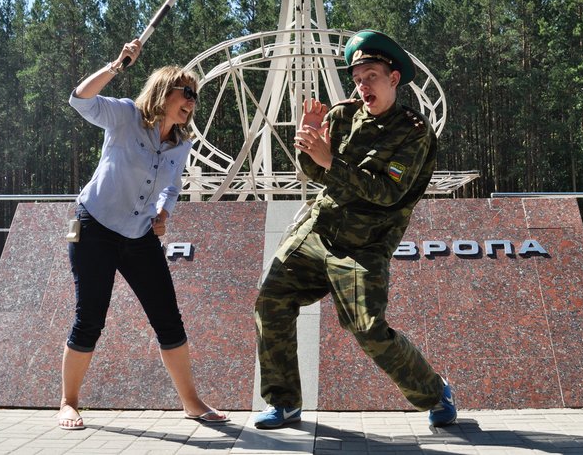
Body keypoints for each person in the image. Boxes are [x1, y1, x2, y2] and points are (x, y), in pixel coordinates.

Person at [253, 29, 457, 429]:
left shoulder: (414, 133)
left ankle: (434, 393)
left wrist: (330, 162)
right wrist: (307, 143)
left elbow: (387, 193)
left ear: (394, 79)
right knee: (270, 302)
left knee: (367, 329)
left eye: (372, 77)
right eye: (359, 78)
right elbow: (315, 173)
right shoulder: (342, 116)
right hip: (318, 231)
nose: (363, 86)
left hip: (366, 244)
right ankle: (284, 402)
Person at [57, 39, 227, 430]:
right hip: (94, 227)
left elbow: (172, 184)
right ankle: (68, 402)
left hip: (139, 235)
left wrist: (165, 211)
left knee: (169, 319)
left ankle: (192, 403)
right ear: (165, 91)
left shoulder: (180, 142)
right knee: (89, 319)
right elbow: (79, 100)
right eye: (187, 93)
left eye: (196, 97)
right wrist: (117, 64)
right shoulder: (125, 115)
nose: (192, 102)